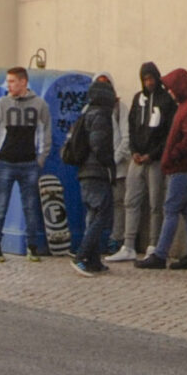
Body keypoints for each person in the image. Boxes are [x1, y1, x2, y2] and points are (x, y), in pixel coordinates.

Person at [0, 64, 52, 262]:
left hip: (29, 164)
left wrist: (41, 158)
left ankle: (32, 247)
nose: (9, 85)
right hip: (5, 162)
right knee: (1, 206)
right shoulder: (2, 103)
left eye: (12, 81)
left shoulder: (39, 104)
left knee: (31, 207)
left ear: (23, 82)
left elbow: (45, 132)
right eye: (8, 82)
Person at [145, 68, 187, 270]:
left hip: (184, 168)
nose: (169, 92)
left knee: (170, 209)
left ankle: (160, 254)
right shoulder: (186, 105)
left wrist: (172, 156)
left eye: (171, 88)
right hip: (183, 167)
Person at [116, 62, 174, 264]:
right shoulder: (137, 99)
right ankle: (129, 244)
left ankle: (153, 244)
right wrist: (134, 151)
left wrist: (153, 154)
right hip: (137, 157)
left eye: (151, 78)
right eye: (145, 79)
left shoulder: (166, 100)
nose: (149, 82)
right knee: (130, 200)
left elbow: (168, 133)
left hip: (155, 159)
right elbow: (131, 126)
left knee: (155, 203)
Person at [68, 76, 120, 274]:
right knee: (101, 215)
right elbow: (99, 146)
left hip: (85, 172)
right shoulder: (101, 115)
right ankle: (82, 256)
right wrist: (109, 163)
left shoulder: (87, 112)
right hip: (96, 172)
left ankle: (94, 260)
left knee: (93, 215)